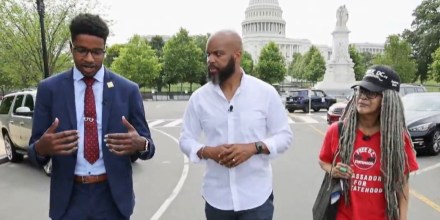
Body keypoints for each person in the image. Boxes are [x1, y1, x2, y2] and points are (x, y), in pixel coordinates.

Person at [28, 13, 155, 220]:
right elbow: (34, 152)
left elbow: (149, 147)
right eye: (82, 50)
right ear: (71, 47)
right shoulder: (49, 90)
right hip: (68, 201)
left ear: (105, 49)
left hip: (113, 199)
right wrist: (42, 148)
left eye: (97, 52)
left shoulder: (127, 90)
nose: (89, 59)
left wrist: (141, 144)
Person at [179, 30, 293, 220]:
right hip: (217, 200)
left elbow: (284, 136)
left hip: (256, 199)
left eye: (218, 53)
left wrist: (254, 148)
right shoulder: (199, 98)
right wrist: (207, 151)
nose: (211, 60)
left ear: (237, 55)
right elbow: (185, 139)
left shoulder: (265, 93)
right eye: (208, 54)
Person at [318, 65, 419, 220]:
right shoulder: (337, 131)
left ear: (387, 99)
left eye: (371, 92)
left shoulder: (397, 140)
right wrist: (333, 170)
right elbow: (323, 161)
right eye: (361, 90)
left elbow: (402, 184)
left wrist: (402, 217)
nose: (363, 97)